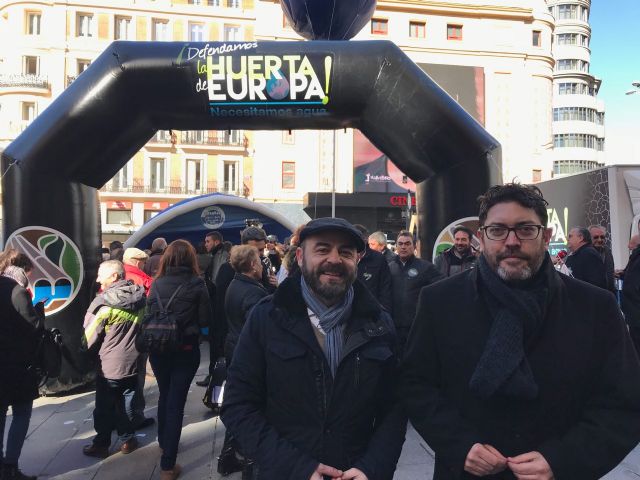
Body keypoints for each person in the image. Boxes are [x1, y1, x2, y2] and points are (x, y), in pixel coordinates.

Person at [402, 183, 640, 480]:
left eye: (526, 229)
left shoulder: (595, 307)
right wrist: (459, 445)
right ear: (481, 238)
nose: (511, 241)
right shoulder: (440, 301)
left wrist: (561, 460)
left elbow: (624, 404)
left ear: (547, 236)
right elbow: (416, 385)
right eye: (498, 230)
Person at [222, 217, 406, 480]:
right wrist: (296, 467)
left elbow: (395, 408)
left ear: (357, 259)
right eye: (322, 249)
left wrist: (372, 468)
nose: (334, 259)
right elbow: (238, 405)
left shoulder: (379, 323)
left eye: (345, 252)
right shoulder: (267, 317)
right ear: (299, 257)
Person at [146, 240, 211, 480]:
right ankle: (167, 465)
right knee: (176, 402)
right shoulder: (197, 284)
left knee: (165, 394)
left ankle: (164, 442)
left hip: (158, 348)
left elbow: (148, 313)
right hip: (184, 348)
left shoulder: (157, 283)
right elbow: (205, 320)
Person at [82, 260, 146, 459]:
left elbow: (89, 337)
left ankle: (101, 444)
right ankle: (128, 439)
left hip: (108, 363)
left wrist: (83, 352)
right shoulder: (139, 297)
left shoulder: (103, 302)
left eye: (103, 275)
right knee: (127, 400)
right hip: (133, 359)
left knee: (104, 405)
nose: (98, 279)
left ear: (115, 277)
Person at [217, 245, 268, 476]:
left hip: (233, 345)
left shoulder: (236, 284)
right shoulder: (253, 292)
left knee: (241, 403)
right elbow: (258, 330)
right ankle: (246, 461)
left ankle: (228, 456)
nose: (261, 264)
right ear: (251, 265)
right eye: (258, 260)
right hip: (245, 353)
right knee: (250, 407)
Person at [0, 251, 43, 480]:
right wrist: (39, 313)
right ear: (22, 268)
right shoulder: (17, 291)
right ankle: (10, 467)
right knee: (21, 413)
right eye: (29, 272)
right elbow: (33, 327)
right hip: (17, 365)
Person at [389, 230, 444, 352]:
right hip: (393, 326)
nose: (403, 247)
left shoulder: (425, 267)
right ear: (396, 246)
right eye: (400, 244)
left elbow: (440, 288)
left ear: (414, 246)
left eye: (407, 243)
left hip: (416, 326)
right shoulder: (389, 267)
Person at [122, 248, 155, 430]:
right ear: (136, 261)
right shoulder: (142, 279)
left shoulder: (115, 275)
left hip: (114, 339)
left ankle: (119, 418)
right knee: (136, 378)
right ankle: (135, 417)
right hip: (137, 334)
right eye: (143, 263)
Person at [196, 231, 230, 388]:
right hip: (217, 306)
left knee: (217, 344)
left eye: (208, 241)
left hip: (218, 308)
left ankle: (214, 376)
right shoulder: (218, 255)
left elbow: (216, 282)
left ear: (216, 242)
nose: (205, 244)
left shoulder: (220, 256)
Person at [354, 224, 392, 312]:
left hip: (371, 313)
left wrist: (384, 315)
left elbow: (385, 290)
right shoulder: (343, 257)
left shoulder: (378, 259)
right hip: (346, 313)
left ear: (365, 239)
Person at [622, 234, 640, 354]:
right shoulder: (635, 259)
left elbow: (634, 285)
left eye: (631, 247)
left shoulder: (637, 259)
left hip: (636, 311)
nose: (629, 248)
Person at [589, 225, 616, 292]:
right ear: (588, 238)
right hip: (592, 294)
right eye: (596, 237)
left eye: (602, 237)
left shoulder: (607, 251)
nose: (600, 240)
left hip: (608, 293)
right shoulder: (584, 253)